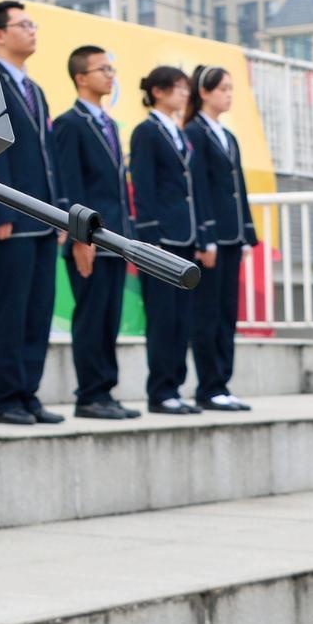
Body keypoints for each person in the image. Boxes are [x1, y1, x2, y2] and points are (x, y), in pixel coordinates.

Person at [0, 0, 65, 426]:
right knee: (6, 312)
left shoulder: (35, 88)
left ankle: (28, 393)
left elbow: (46, 157)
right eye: (23, 25)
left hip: (42, 219)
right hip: (10, 219)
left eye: (33, 24)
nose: (32, 31)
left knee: (37, 311)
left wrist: (59, 215)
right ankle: (4, 397)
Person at [50, 46, 140, 420]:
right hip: (90, 238)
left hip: (115, 238)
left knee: (110, 318)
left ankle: (106, 390)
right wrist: (79, 237)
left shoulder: (109, 123)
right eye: (102, 69)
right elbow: (70, 183)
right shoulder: (70, 123)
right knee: (91, 317)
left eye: (111, 68)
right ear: (81, 77)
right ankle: (89, 395)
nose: (110, 75)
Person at [128, 65, 203, 416]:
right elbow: (143, 186)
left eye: (186, 88)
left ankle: (176, 386)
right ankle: (160, 391)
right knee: (162, 317)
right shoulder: (147, 131)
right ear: (157, 91)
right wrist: (149, 237)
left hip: (184, 235)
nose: (184, 94)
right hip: (160, 239)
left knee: (182, 318)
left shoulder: (180, 131)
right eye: (177, 87)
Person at [185, 64, 258, 413]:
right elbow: (197, 189)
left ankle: (222, 384)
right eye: (222, 88)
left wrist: (246, 234)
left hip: (232, 237)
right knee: (208, 313)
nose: (228, 94)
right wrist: (206, 238)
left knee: (228, 313)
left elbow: (237, 188)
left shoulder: (228, 135)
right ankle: (208, 385)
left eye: (231, 88)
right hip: (212, 239)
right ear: (204, 92)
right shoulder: (194, 132)